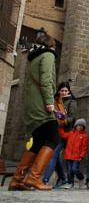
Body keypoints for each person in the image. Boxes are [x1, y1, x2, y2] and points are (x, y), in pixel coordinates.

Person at [10, 34, 60, 191]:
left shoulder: (33, 58)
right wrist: (50, 102)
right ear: (51, 45)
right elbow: (46, 80)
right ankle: (34, 178)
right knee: (53, 137)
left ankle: (17, 180)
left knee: (38, 141)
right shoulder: (48, 55)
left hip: (32, 104)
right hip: (42, 105)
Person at [42, 83, 75, 187]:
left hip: (66, 132)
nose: (64, 93)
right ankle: (62, 178)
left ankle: (45, 180)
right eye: (62, 91)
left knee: (55, 154)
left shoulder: (72, 102)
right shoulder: (54, 101)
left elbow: (72, 118)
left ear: (69, 91)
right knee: (54, 155)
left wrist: (62, 120)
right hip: (55, 131)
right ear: (59, 91)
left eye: (66, 91)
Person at [58, 118, 89, 189]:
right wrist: (60, 127)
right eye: (78, 125)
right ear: (75, 126)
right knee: (69, 171)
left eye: (82, 126)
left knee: (74, 169)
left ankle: (81, 177)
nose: (80, 127)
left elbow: (84, 147)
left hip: (77, 157)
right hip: (68, 156)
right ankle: (70, 183)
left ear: (83, 127)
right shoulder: (71, 133)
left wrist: (81, 156)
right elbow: (63, 135)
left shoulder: (84, 136)